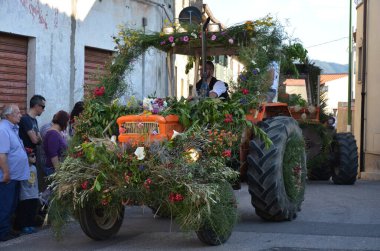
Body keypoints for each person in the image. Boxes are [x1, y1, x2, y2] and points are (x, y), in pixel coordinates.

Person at [0, 105, 29, 241]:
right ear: (8, 115)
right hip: (8, 176)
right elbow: (2, 154)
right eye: (17, 113)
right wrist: (6, 173)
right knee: (5, 205)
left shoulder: (12, 129)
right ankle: (2, 232)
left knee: (11, 204)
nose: (20, 115)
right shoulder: (3, 129)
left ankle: (7, 229)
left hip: (15, 175)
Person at [14, 148, 39, 234]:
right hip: (25, 195)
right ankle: (25, 226)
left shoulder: (34, 168)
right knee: (25, 211)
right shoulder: (22, 168)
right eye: (32, 156)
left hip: (34, 194)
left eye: (35, 155)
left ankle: (31, 224)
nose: (34, 157)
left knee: (32, 211)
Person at [43, 110, 69, 176]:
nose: (68, 124)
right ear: (63, 121)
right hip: (53, 170)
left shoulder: (56, 132)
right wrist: (59, 173)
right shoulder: (53, 134)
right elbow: (53, 155)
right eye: (67, 122)